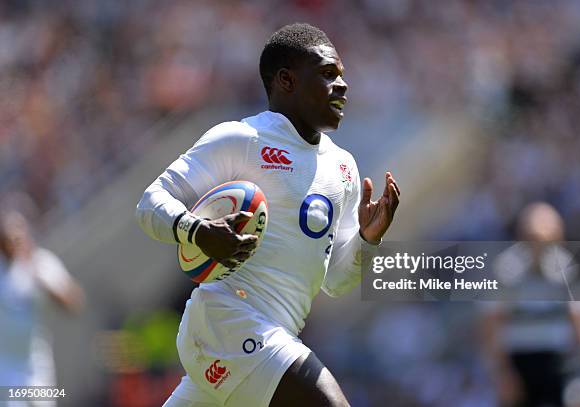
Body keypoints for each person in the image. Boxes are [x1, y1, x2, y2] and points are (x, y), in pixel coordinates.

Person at [136, 23, 400, 407]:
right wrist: (196, 231)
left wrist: (367, 240)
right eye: (328, 74)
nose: (342, 85)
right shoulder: (242, 139)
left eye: (342, 75)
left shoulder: (343, 168)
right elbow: (151, 202)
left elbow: (337, 281)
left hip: (269, 338)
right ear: (286, 81)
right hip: (228, 321)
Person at [481, 202, 580, 407]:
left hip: (560, 360)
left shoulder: (565, 269)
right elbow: (491, 325)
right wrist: (501, 373)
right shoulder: (506, 272)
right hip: (522, 363)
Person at [0, 209, 85, 406]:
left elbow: (74, 303)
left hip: (36, 365)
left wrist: (45, 284)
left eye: (17, 233)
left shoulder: (42, 263)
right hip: (6, 368)